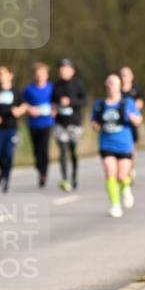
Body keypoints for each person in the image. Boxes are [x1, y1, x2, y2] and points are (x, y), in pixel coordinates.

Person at [91, 74, 141, 218]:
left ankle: (126, 188)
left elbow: (138, 119)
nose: (111, 86)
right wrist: (95, 126)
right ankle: (115, 205)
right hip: (106, 144)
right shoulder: (100, 104)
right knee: (109, 171)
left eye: (114, 83)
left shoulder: (127, 103)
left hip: (124, 144)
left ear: (119, 86)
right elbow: (94, 122)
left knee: (121, 175)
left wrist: (134, 119)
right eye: (109, 83)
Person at [0, 65, 25, 193]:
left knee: (8, 154)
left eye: (4, 73)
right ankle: (2, 171)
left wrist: (19, 111)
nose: (1, 76)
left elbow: (24, 105)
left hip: (11, 127)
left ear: (10, 75)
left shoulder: (16, 91)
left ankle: (6, 179)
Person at [51, 58, 87, 191]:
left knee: (73, 150)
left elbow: (84, 101)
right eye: (60, 68)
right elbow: (53, 102)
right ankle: (64, 178)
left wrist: (70, 102)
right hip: (60, 123)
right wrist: (53, 109)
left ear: (72, 70)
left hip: (74, 123)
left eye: (65, 68)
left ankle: (74, 175)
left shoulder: (78, 84)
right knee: (62, 150)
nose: (62, 70)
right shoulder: (56, 85)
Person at [21, 63, 55, 188]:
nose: (40, 76)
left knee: (44, 149)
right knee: (36, 150)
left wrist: (53, 110)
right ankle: (39, 166)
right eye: (38, 74)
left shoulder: (52, 88)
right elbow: (23, 103)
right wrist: (30, 109)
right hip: (34, 124)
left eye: (43, 74)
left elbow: (55, 102)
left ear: (47, 75)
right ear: (34, 75)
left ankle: (44, 173)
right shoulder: (29, 89)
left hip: (47, 123)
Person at [120, 66, 144, 180]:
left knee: (132, 148)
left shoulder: (136, 90)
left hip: (132, 123)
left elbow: (139, 104)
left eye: (126, 75)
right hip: (120, 124)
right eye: (122, 75)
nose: (123, 78)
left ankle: (131, 169)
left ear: (131, 77)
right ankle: (124, 170)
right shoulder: (116, 90)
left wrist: (132, 112)